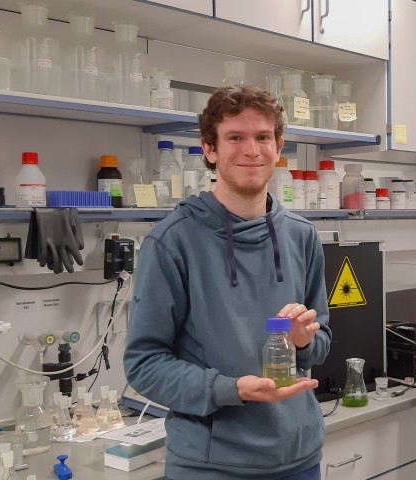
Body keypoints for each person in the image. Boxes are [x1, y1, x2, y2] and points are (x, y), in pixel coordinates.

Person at [124, 85, 332, 480]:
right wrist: (231, 389)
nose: (251, 150)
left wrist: (304, 339)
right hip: (211, 464)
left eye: (263, 137)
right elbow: (144, 364)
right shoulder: (172, 242)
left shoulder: (302, 236)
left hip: (299, 457)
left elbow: (321, 343)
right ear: (210, 149)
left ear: (278, 145)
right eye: (235, 137)